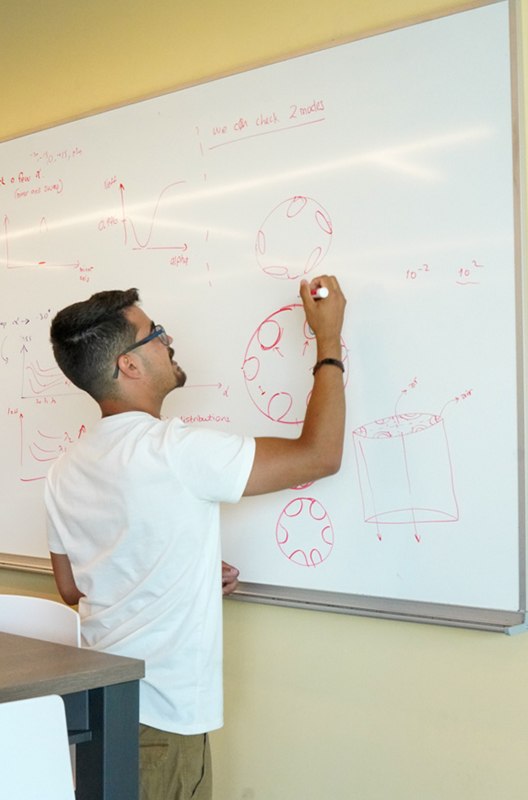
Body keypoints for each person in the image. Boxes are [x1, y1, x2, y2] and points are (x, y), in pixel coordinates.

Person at [45, 275, 346, 800]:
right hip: (161, 722)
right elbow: (320, 455)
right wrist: (328, 340)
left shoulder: (65, 468)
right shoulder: (176, 451)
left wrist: (186, 571)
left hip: (101, 706)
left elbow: (72, 588)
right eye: (154, 332)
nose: (167, 339)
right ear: (129, 365)